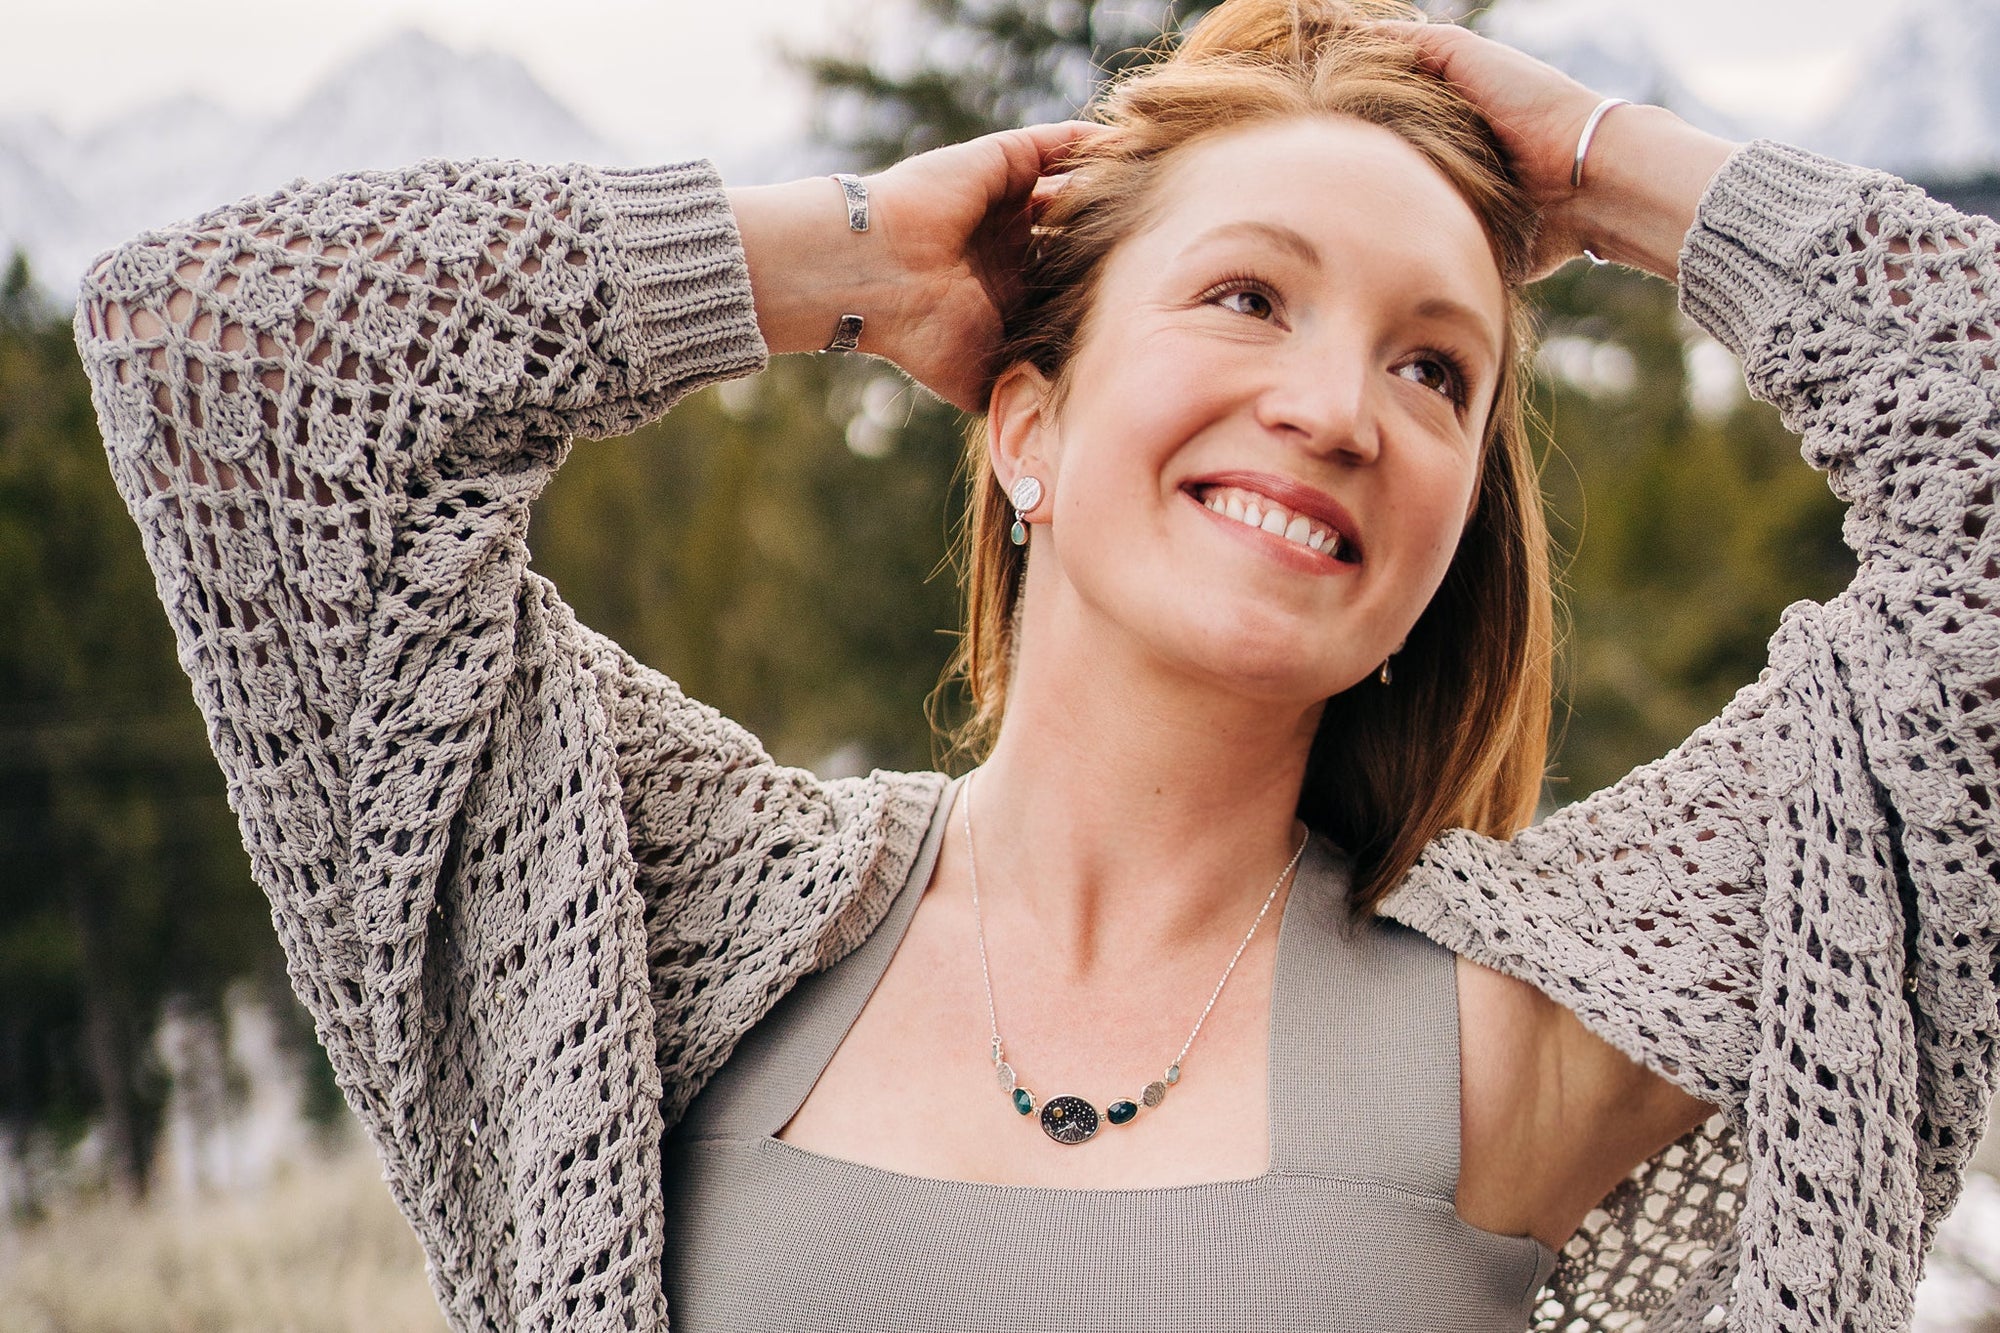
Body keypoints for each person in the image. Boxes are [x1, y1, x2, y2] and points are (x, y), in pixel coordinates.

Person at [70, 0, 1996, 1328]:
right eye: (1247, 293)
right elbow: (215, 359)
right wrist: (835, 260)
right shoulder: (687, 921)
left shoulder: (1537, 1025)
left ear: (1452, 535)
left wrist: (1610, 167)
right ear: (1025, 428)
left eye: (1437, 367)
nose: (1339, 407)